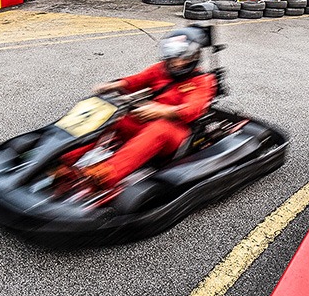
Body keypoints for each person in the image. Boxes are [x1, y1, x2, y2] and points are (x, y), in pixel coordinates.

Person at [60, 27, 217, 191]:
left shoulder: (203, 81)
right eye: (172, 57)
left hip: (178, 133)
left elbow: (192, 109)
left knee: (159, 128)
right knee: (116, 116)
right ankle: (67, 158)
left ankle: (106, 173)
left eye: (180, 58)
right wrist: (114, 85)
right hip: (150, 120)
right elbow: (138, 80)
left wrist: (161, 110)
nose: (175, 62)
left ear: (193, 57)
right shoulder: (161, 70)